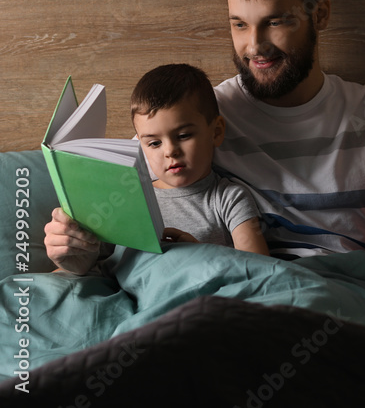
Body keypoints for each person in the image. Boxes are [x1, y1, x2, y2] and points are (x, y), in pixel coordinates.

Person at [46, 0, 365, 264]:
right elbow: (124, 181)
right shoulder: (199, 116)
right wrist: (72, 238)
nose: (255, 46)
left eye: (275, 22)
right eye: (240, 25)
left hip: (352, 288)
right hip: (243, 294)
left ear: (319, 15)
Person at [44, 64, 269, 274]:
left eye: (183, 136)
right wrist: (70, 257)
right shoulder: (122, 198)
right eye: (154, 143)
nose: (170, 151)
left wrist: (200, 254)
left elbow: (259, 270)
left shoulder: (229, 199)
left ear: (216, 132)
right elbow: (92, 267)